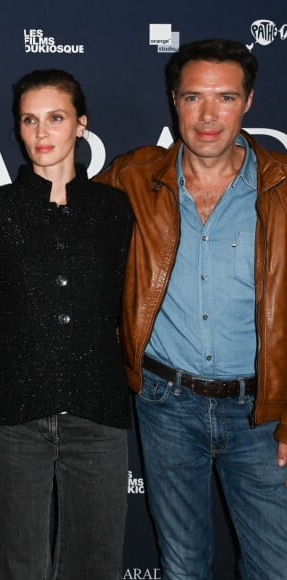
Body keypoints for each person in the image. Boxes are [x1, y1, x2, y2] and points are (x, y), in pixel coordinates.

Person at [94, 38, 287, 579]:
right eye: (193, 98)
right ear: (173, 101)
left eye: (225, 98)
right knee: (182, 567)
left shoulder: (283, 186)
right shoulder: (133, 177)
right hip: (165, 404)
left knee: (275, 567)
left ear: (248, 102)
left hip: (263, 414)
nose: (207, 116)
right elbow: (59, 215)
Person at [0, 69, 134, 580]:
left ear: (81, 124)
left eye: (55, 118)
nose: (41, 133)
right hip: (15, 413)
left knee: (95, 565)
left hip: (98, 410)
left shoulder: (114, 208)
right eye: (29, 120)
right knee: (15, 567)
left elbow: (134, 299)